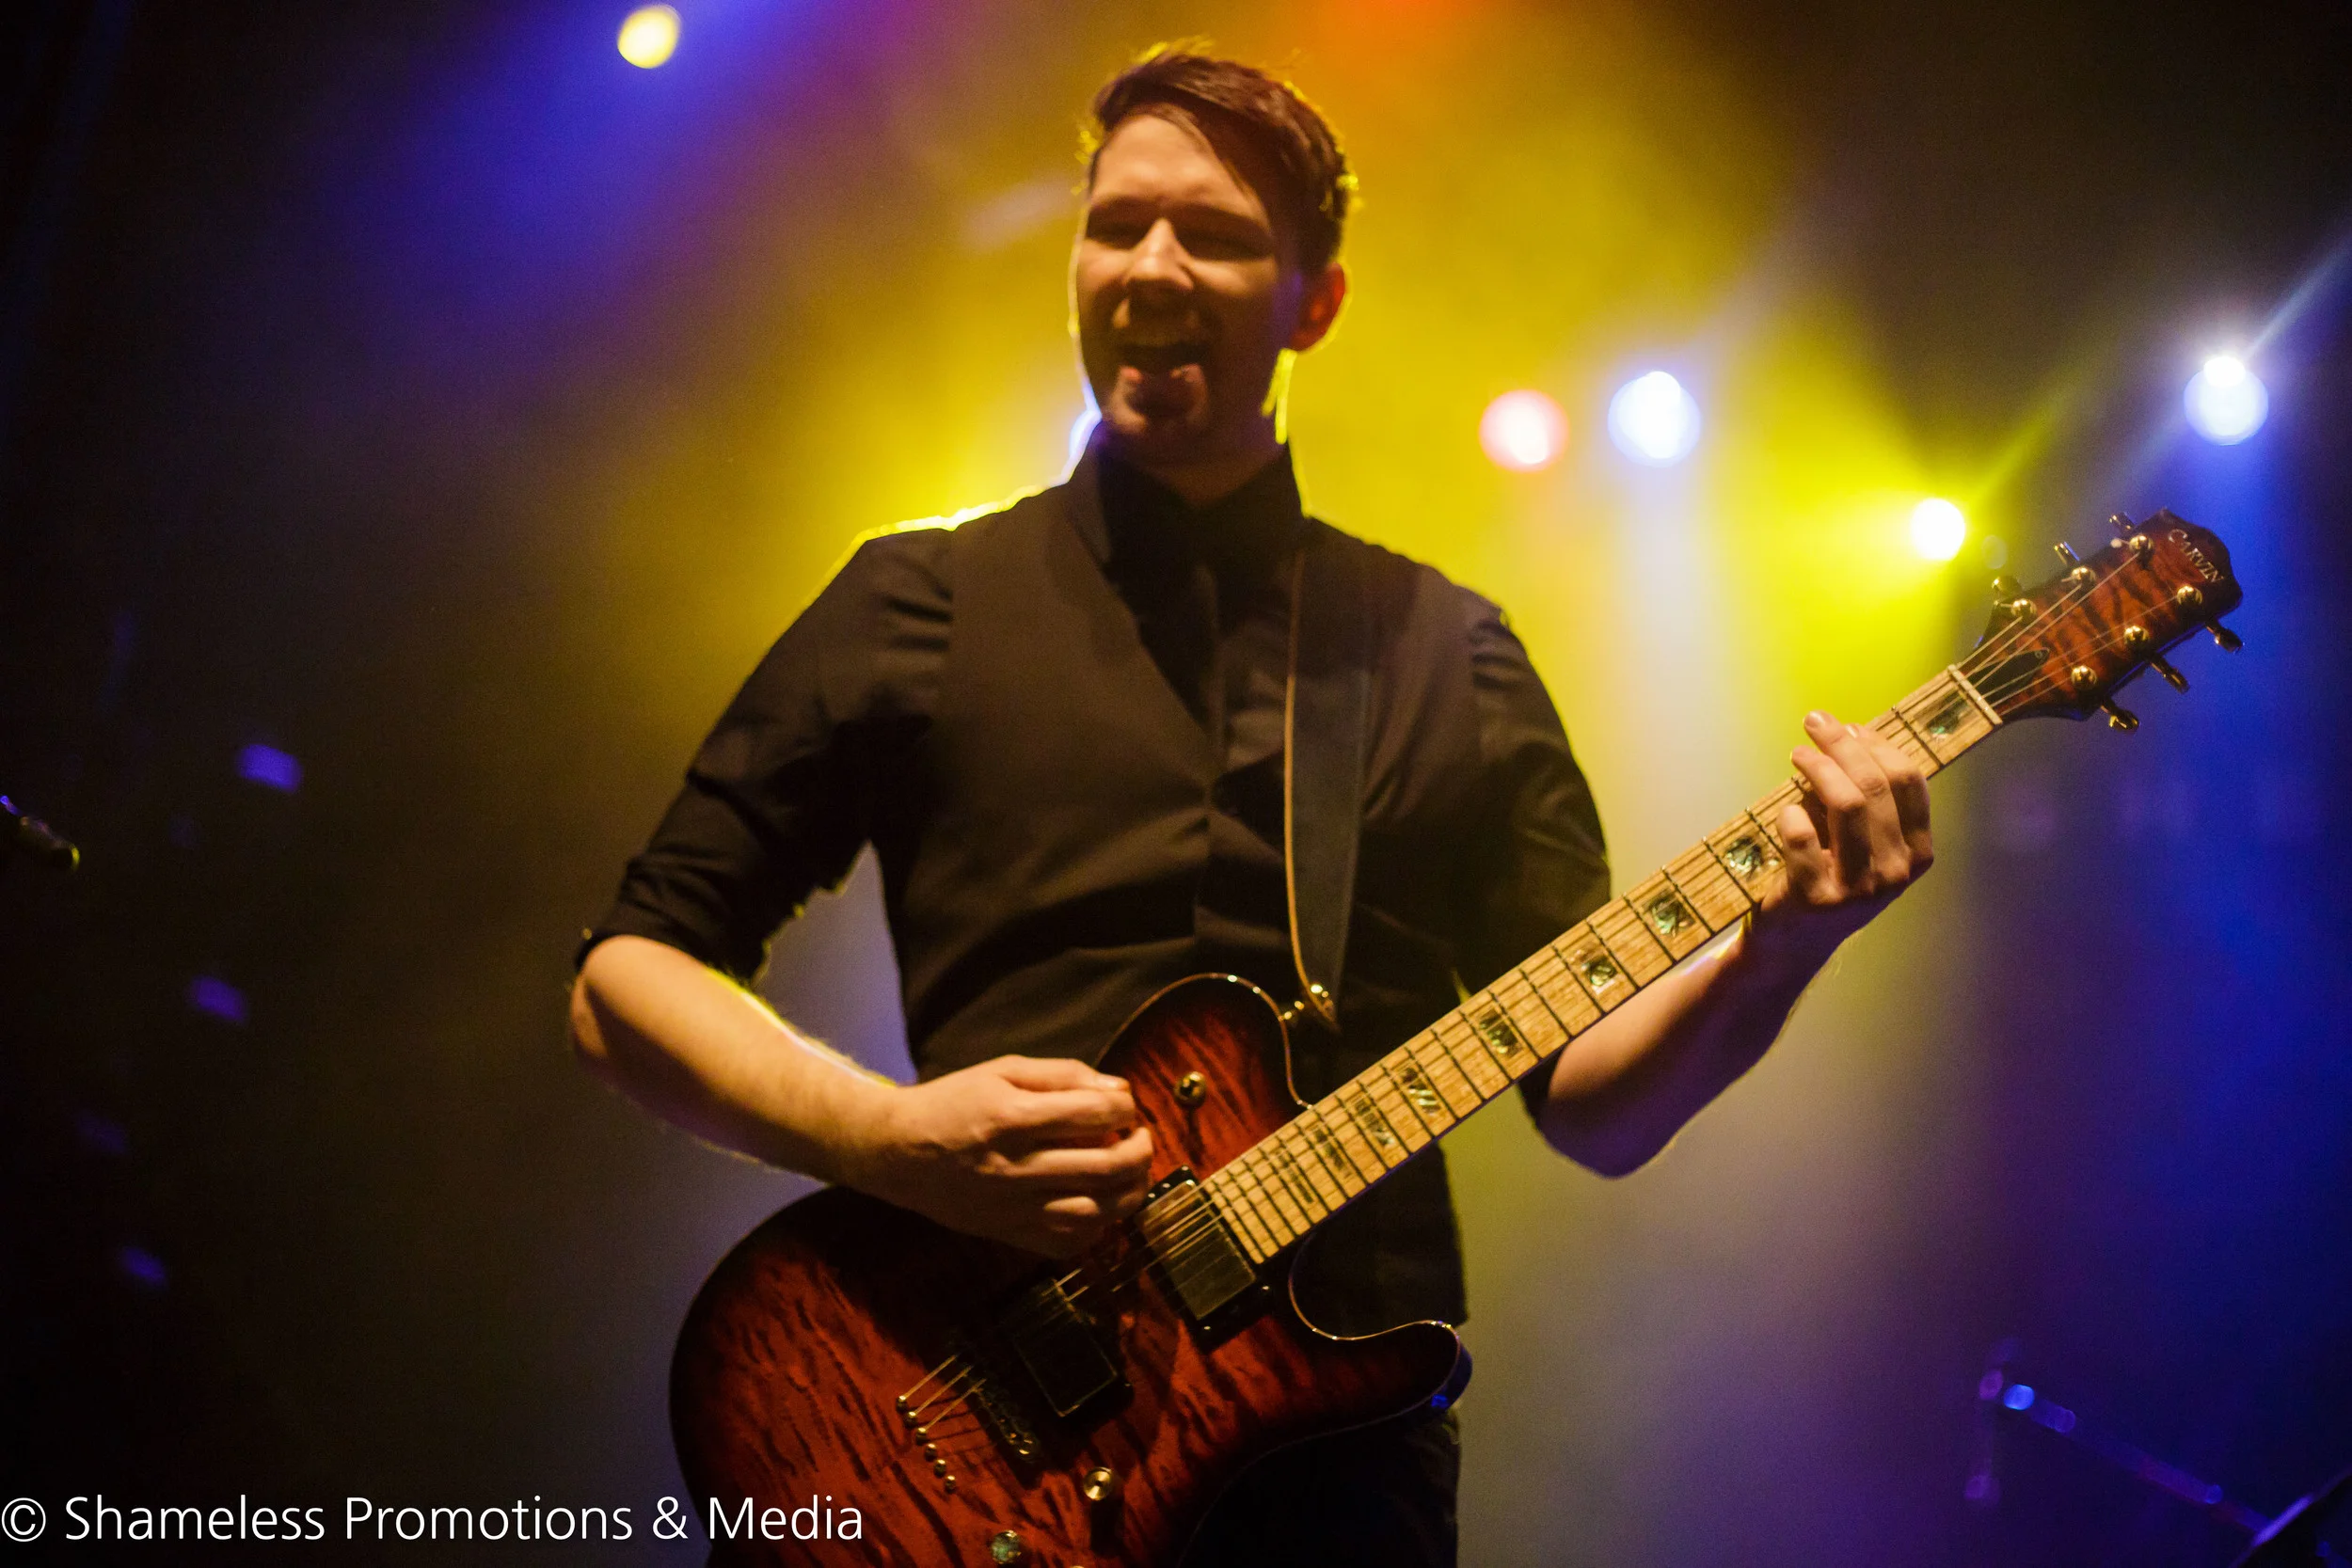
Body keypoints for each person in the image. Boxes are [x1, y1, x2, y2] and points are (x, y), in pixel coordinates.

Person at [568, 48, 1932, 1568]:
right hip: (957, 1459)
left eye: (1211, 236)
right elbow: (628, 978)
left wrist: (1780, 950)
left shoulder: (1447, 652)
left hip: (1333, 1482)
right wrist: (890, 1139)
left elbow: (1596, 1103)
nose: (1150, 266)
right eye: (1115, 225)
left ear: (1314, 304)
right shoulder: (921, 603)